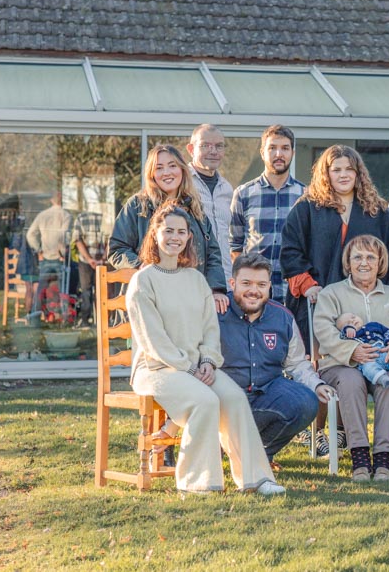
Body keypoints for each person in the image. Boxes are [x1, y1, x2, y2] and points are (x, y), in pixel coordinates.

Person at [126, 200, 284, 495]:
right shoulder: (142, 282)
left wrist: (210, 362)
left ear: (188, 238)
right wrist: (189, 368)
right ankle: (197, 483)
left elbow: (211, 330)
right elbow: (152, 339)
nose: (174, 237)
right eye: (168, 230)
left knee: (234, 398)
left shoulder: (196, 280)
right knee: (205, 401)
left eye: (181, 232)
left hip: (199, 368)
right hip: (158, 369)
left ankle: (256, 479)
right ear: (155, 234)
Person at [281, 144, 389, 455]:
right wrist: (307, 284)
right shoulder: (308, 208)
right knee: (321, 365)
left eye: (349, 169)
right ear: (326, 173)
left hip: (363, 305)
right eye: (337, 170)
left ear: (359, 173)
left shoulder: (377, 210)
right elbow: (291, 252)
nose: (344, 175)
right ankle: (321, 430)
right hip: (318, 302)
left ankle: (344, 431)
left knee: (356, 366)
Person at [313, 235, 389, 481]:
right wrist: (351, 351)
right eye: (357, 257)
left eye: (371, 257)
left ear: (380, 262)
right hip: (341, 365)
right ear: (348, 262)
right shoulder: (332, 293)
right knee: (351, 381)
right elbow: (323, 329)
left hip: (384, 363)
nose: (364, 262)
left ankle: (383, 459)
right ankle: (359, 458)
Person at [218, 253, 335, 469]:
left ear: (269, 286)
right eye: (246, 283)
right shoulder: (217, 313)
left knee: (305, 401)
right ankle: (222, 446)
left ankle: (259, 454)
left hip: (266, 396)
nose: (254, 290)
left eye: (261, 284)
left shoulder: (282, 317)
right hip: (225, 401)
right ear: (232, 283)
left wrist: (316, 384)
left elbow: (297, 363)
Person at [108, 145, 228, 312]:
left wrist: (216, 289)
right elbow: (116, 249)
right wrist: (140, 265)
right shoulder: (137, 206)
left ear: (182, 169)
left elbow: (213, 253)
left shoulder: (195, 208)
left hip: (190, 301)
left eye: (172, 165)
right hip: (148, 300)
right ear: (151, 174)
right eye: (159, 168)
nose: (167, 172)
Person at [229, 125, 305, 304]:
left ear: (293, 153)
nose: (279, 154)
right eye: (272, 148)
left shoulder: (306, 196)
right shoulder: (243, 193)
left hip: (293, 291)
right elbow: (235, 246)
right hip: (255, 293)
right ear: (262, 152)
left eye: (285, 148)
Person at [187, 124, 235, 283]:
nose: (213, 151)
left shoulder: (227, 189)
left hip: (224, 278)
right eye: (205, 145)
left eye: (219, 146)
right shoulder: (182, 183)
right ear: (191, 149)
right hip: (192, 276)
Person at [336, 313, 389, 388]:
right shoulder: (351, 336)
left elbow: (386, 331)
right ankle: (381, 378)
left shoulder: (374, 325)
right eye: (348, 323)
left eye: (353, 317)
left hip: (385, 353)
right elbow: (342, 338)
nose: (353, 321)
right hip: (369, 358)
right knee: (368, 368)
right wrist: (348, 329)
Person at [26, 191, 73, 297]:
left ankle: (37, 311)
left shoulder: (43, 215)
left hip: (45, 256)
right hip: (59, 257)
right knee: (62, 292)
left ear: (51, 200)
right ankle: (61, 312)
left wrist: (38, 250)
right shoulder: (66, 215)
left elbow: (30, 234)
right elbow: (63, 236)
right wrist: (61, 251)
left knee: (41, 291)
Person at [72, 209, 105, 328]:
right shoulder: (105, 216)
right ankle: (102, 321)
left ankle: (86, 320)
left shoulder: (81, 217)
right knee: (101, 291)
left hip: (86, 260)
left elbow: (77, 240)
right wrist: (103, 259)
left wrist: (89, 258)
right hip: (100, 258)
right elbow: (110, 239)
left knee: (86, 290)